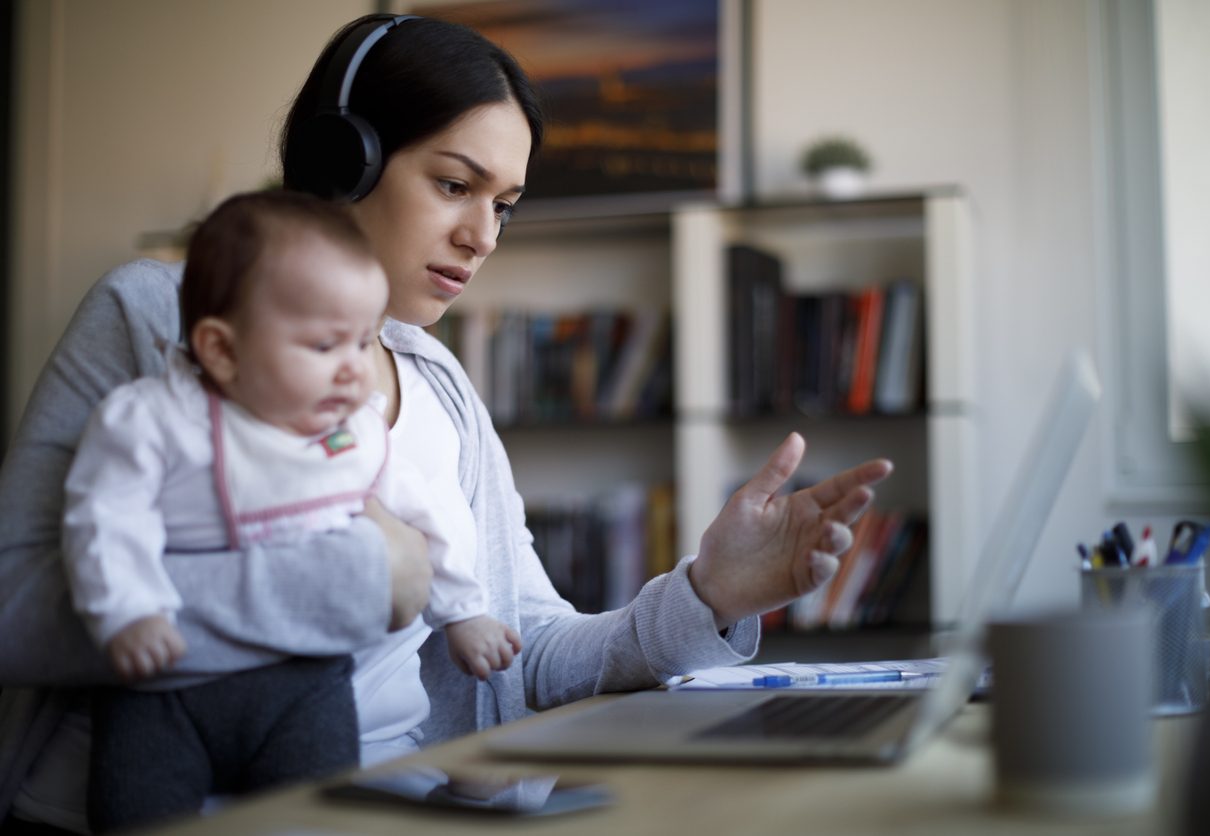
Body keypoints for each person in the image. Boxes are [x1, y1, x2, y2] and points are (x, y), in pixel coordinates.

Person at [0, 13, 892, 834]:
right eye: (455, 184)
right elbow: (14, 609)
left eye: (503, 204)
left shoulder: (440, 385)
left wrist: (710, 594)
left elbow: (523, 648)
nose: (483, 237)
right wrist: (360, 578)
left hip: (391, 807)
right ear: (340, 159)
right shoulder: (161, 317)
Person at [58, 190, 521, 831]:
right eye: (327, 346)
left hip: (306, 683)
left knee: (315, 812)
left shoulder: (350, 431)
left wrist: (463, 611)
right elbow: (104, 516)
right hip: (164, 691)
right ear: (222, 351)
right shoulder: (152, 419)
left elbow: (428, 511)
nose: (355, 373)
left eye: (364, 343)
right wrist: (127, 609)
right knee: (135, 806)